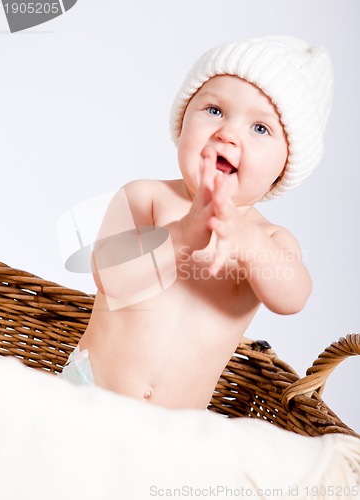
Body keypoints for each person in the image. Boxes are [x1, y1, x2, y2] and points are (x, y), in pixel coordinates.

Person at [58, 35, 334, 410]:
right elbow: (112, 277)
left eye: (260, 129)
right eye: (215, 110)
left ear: (284, 167)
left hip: (176, 429)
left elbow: (294, 296)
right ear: (182, 120)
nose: (228, 134)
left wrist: (245, 239)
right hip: (86, 393)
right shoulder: (146, 197)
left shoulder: (268, 238)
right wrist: (181, 235)